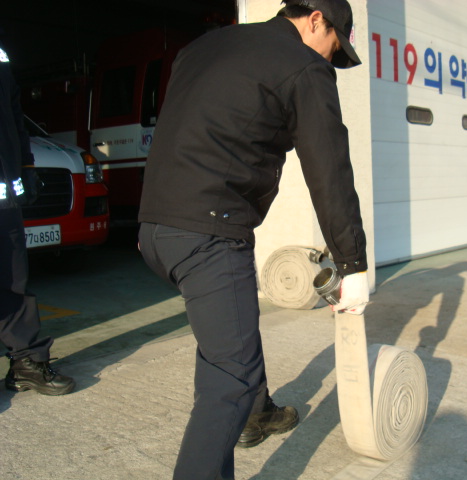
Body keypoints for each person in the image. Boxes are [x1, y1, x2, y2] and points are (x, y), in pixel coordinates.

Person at [138, 0, 369, 477]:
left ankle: (256, 413)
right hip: (208, 232)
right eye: (333, 48)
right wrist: (352, 264)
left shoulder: (206, 46)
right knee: (231, 378)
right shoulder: (304, 66)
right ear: (316, 20)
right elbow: (329, 170)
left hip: (155, 229)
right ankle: (238, 413)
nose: (329, 59)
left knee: (229, 333)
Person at [0, 41, 75, 396]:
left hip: (3, 198)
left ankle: (25, 363)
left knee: (13, 281)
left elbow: (13, 111)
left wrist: (26, 165)